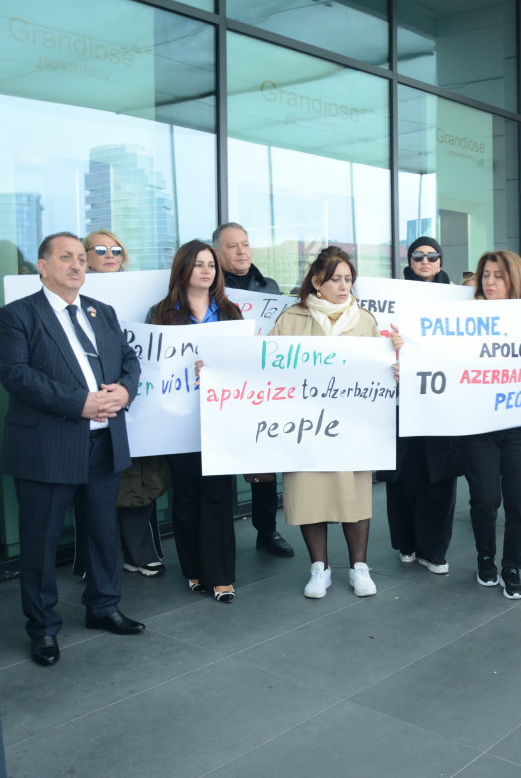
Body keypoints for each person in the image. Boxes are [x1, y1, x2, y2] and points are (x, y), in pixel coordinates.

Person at [0, 232, 145, 667]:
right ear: (43, 267)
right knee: (40, 544)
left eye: (82, 258)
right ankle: (42, 628)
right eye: (66, 258)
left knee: (102, 532)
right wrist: (79, 403)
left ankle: (103, 607)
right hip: (47, 447)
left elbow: (130, 361)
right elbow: (16, 375)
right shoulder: (16, 317)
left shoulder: (102, 312)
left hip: (102, 443)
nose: (78, 266)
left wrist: (125, 391)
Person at [271, 246, 386, 599]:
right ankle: (319, 569)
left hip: (352, 425)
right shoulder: (290, 319)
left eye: (348, 279)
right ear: (317, 282)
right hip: (305, 425)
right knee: (310, 493)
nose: (343, 285)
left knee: (355, 496)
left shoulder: (364, 320)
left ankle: (359, 568)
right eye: (335, 279)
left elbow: (379, 371)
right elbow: (267, 366)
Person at [147, 240, 244, 603]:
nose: (207, 271)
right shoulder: (161, 313)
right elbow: (151, 368)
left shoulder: (231, 312)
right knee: (186, 496)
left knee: (218, 495)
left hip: (221, 417)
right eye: (199, 264)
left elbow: (244, 363)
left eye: (211, 265)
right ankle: (193, 570)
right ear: (183, 269)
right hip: (177, 420)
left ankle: (220, 576)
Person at [71, 230, 166, 581]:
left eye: (116, 250)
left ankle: (140, 553)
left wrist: (126, 388)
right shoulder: (73, 300)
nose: (109, 255)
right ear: (84, 256)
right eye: (99, 250)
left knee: (139, 480)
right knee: (94, 485)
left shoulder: (143, 293)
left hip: (137, 398)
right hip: (86, 410)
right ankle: (96, 559)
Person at [212, 222, 294, 559]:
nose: (242, 251)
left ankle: (267, 531)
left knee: (263, 463)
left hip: (261, 385)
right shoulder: (210, 286)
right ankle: (218, 535)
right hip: (221, 385)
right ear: (217, 252)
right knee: (219, 461)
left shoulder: (269, 286)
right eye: (232, 246)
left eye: (245, 244)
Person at [465, 251, 521, 598]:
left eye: (499, 275)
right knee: (483, 499)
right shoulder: (464, 317)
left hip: (520, 423)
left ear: (515, 279)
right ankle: (486, 557)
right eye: (486, 275)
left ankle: (512, 566)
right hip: (478, 423)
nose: (491, 282)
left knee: (519, 502)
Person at [385, 237, 462, 573]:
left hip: (441, 400)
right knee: (402, 473)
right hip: (401, 398)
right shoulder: (390, 297)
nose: (426, 261)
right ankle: (406, 542)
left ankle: (434, 549)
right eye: (419, 256)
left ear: (441, 261)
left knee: (440, 473)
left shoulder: (460, 298)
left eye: (433, 256)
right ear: (409, 260)